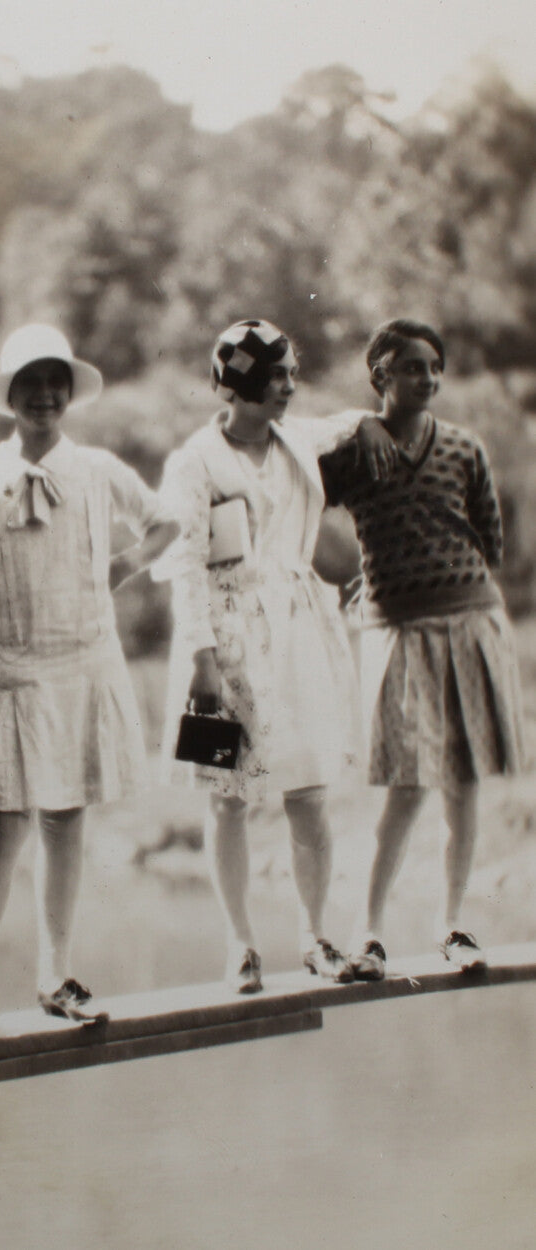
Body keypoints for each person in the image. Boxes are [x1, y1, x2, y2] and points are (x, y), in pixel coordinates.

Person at [0, 324, 178, 1038]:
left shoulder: (98, 469)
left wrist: (119, 567)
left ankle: (55, 973)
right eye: (30, 384)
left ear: (68, 392)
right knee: (3, 828)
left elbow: (166, 523)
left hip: (82, 662)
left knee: (66, 819)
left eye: (55, 383)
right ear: (10, 396)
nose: (44, 395)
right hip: (10, 667)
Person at [155, 319, 396, 994]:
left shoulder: (297, 439)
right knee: (224, 797)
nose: (287, 389)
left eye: (291, 376)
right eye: (274, 380)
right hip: (217, 644)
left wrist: (378, 421)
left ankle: (316, 936)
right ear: (236, 387)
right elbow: (184, 563)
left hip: (298, 634)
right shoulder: (194, 463)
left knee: (309, 792)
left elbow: (344, 425)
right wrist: (203, 662)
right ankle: (240, 945)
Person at [320, 319, 527, 980]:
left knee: (461, 782)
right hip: (396, 632)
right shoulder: (355, 451)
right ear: (380, 375)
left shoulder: (464, 448)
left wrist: (455, 581)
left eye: (434, 367)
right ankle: (370, 932)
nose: (428, 378)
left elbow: (494, 541)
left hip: (469, 621)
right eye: (412, 367)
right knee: (405, 784)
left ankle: (454, 924)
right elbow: (292, 479)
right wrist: (358, 423)